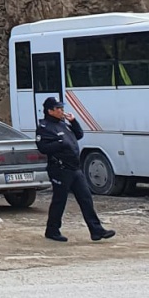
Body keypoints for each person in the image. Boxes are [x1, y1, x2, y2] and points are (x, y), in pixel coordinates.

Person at [35, 97, 116, 243]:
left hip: (75, 168)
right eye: (58, 108)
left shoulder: (63, 124)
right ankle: (52, 230)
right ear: (50, 111)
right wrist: (60, 144)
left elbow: (78, 135)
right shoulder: (44, 127)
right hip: (60, 169)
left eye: (62, 108)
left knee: (86, 198)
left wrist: (73, 121)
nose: (62, 111)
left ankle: (96, 230)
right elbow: (43, 148)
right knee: (60, 201)